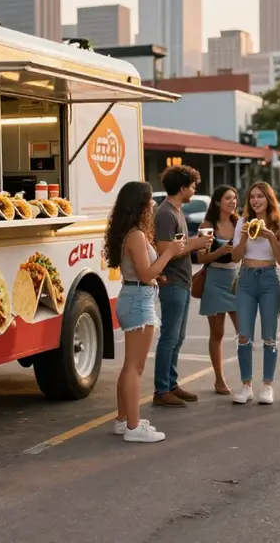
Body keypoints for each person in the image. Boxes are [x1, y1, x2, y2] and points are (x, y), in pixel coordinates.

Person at [105, 181, 186, 442]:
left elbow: (144, 273)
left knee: (130, 366)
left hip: (136, 295)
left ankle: (123, 420)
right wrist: (169, 252)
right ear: (139, 204)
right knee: (134, 368)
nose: (153, 204)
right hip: (139, 299)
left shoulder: (129, 232)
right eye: (150, 200)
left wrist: (154, 276)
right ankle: (133, 427)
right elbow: (147, 272)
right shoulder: (136, 235)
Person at [153, 165, 212, 408]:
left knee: (178, 337)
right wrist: (196, 243)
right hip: (172, 282)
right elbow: (164, 248)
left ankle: (171, 383)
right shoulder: (166, 214)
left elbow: (179, 246)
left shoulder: (176, 211)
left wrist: (195, 246)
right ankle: (161, 389)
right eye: (192, 186)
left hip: (182, 281)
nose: (194, 190)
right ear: (182, 188)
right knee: (169, 337)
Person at [230, 182, 280, 405]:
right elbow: (235, 257)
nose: (255, 200)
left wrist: (271, 237)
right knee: (244, 335)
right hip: (245, 278)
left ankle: (267, 386)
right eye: (252, 197)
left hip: (268, 279)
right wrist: (244, 237)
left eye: (260, 197)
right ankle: (246, 386)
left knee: (269, 335)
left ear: (269, 199)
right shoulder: (243, 222)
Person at [196, 185, 240, 395]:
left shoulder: (239, 223)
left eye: (234, 198)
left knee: (244, 332)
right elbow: (201, 258)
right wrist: (220, 251)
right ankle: (219, 380)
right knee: (218, 333)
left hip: (236, 281)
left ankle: (246, 379)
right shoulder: (207, 225)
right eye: (227, 198)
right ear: (217, 202)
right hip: (214, 280)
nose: (232, 202)